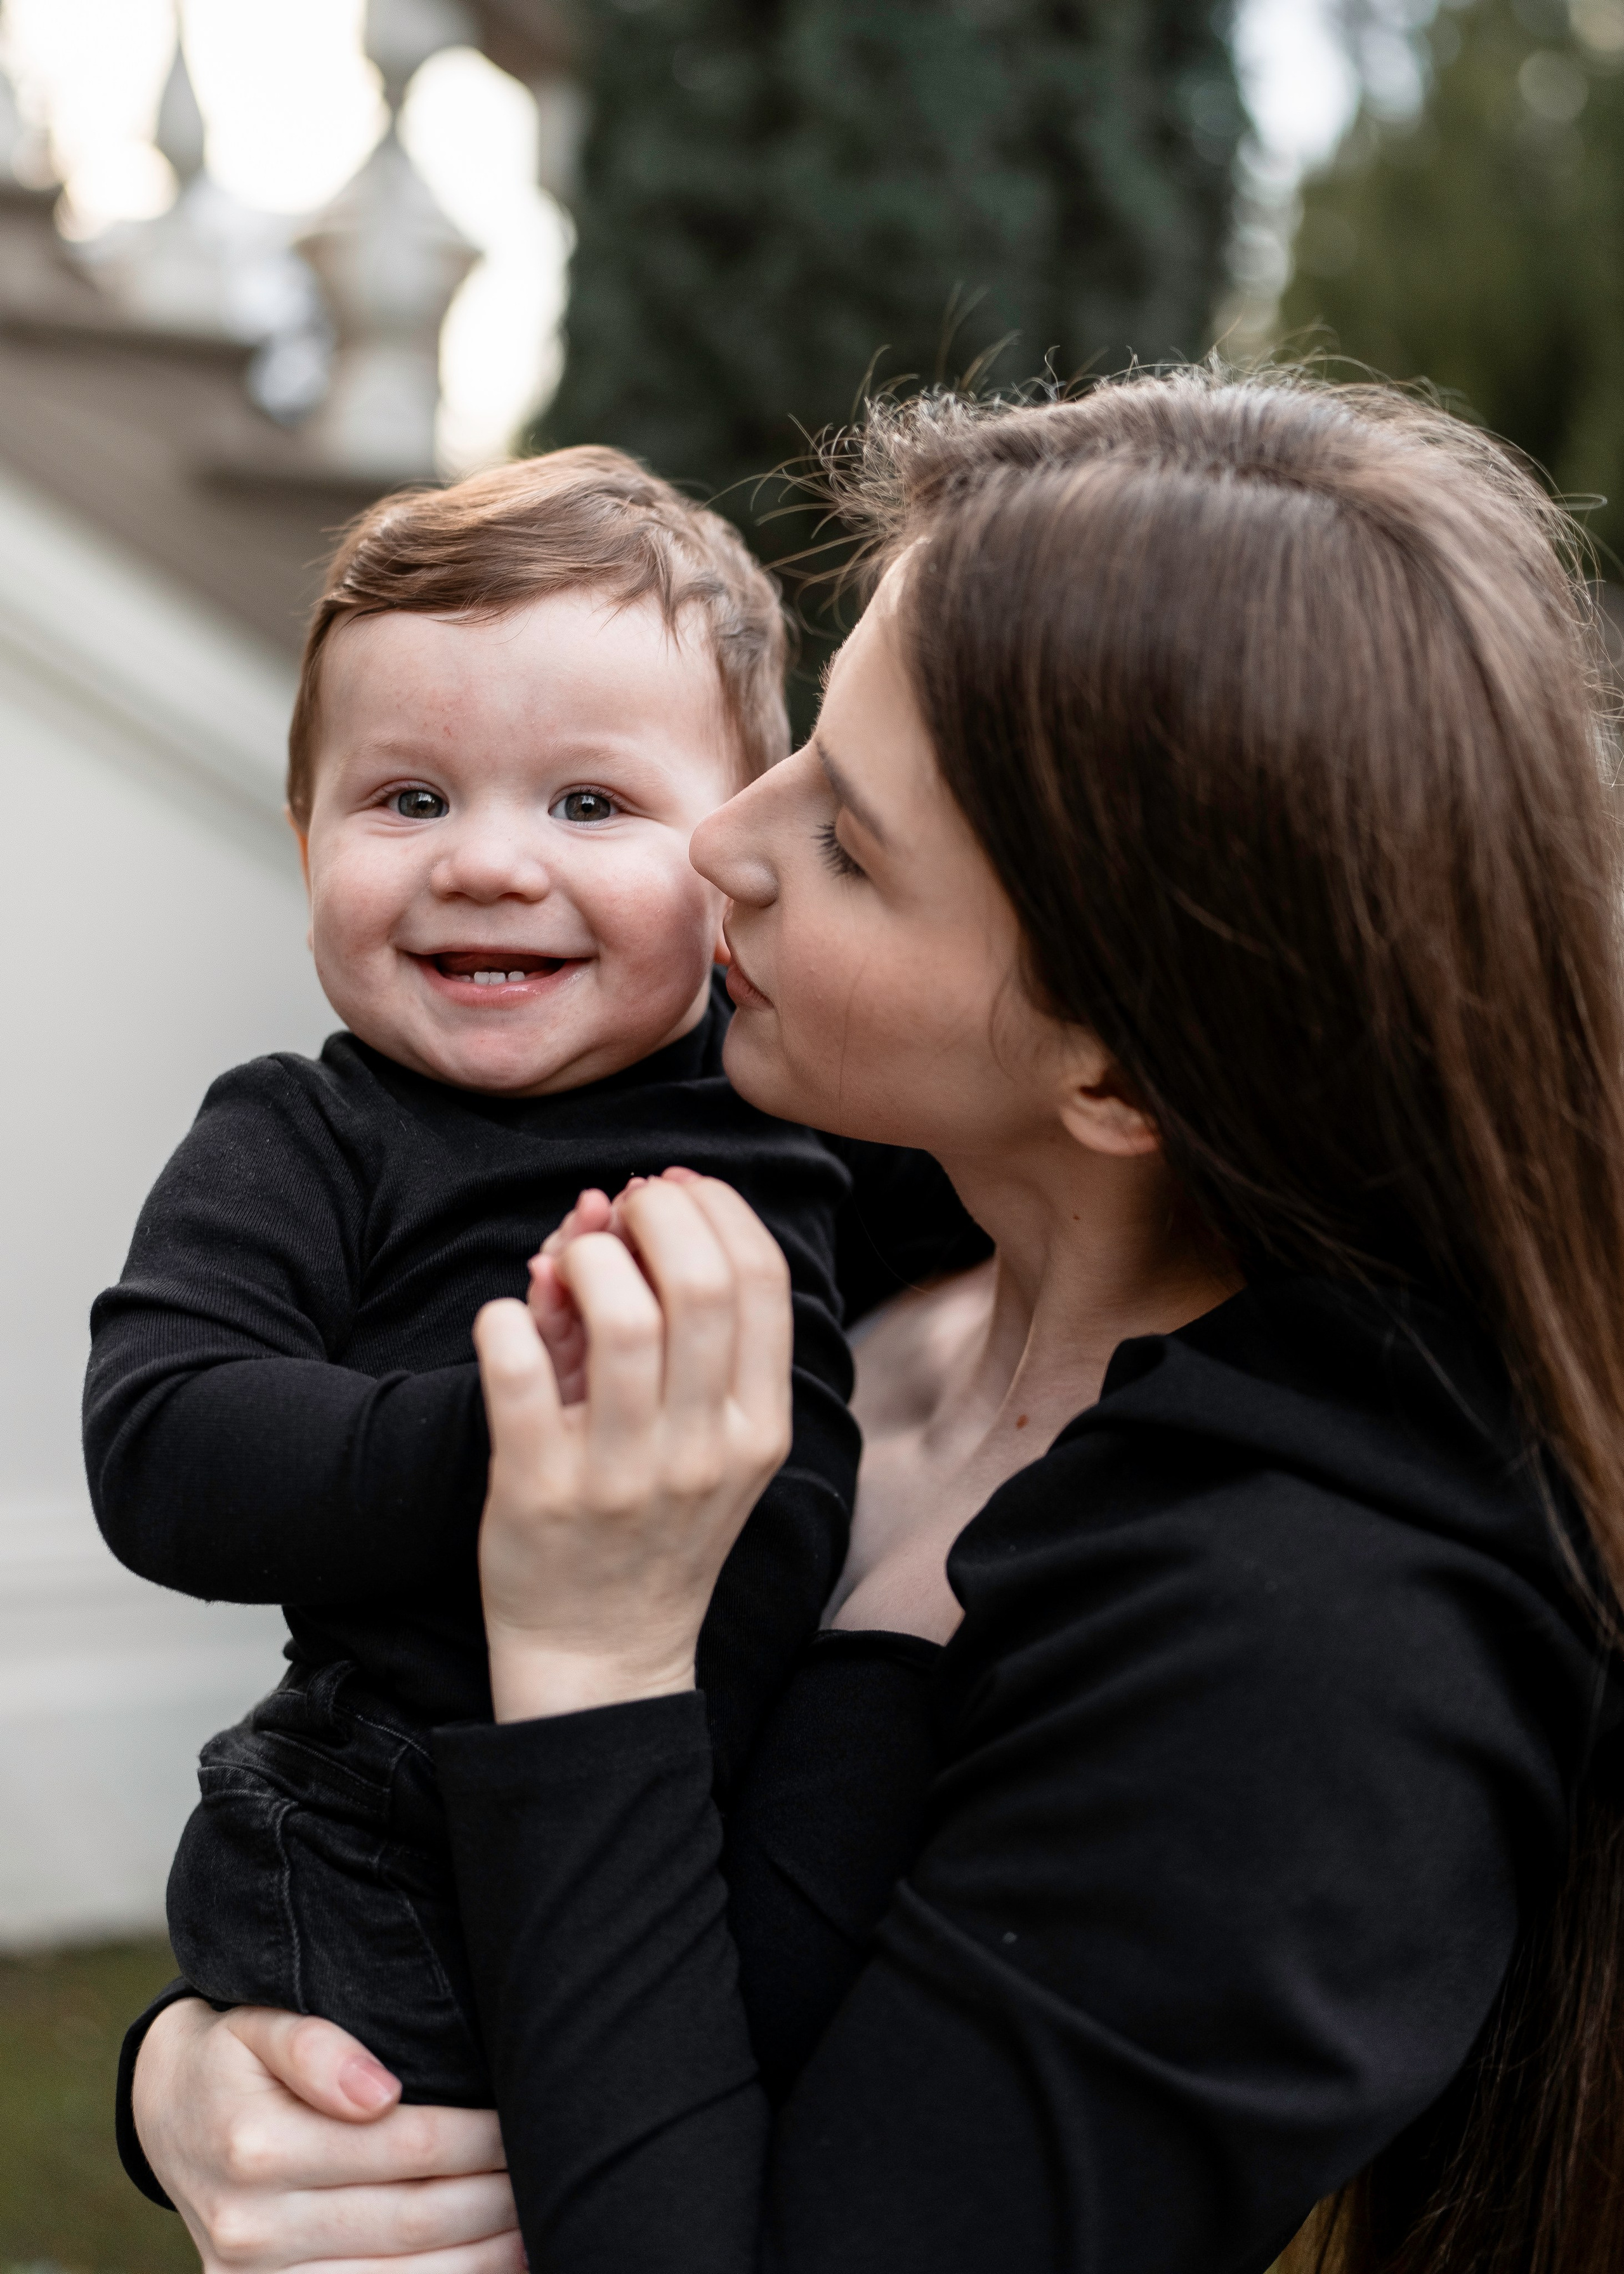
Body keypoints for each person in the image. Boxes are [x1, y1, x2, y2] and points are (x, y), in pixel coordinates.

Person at [119, 372, 1624, 2274]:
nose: (721, 840)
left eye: (846, 838)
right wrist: (204, 2080)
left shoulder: (1316, 1649)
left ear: (1118, 1068)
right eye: (804, 750)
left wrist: (593, 1639)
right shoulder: (842, 1229)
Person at [84, 447, 976, 2108]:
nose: (488, 863)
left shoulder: (805, 1104)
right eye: (408, 798)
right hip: (388, 1819)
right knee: (458, 2178)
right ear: (304, 842)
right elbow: (163, 1435)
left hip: (706, 1801)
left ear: (734, 853)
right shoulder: (312, 1136)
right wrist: (513, 1437)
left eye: (588, 803)